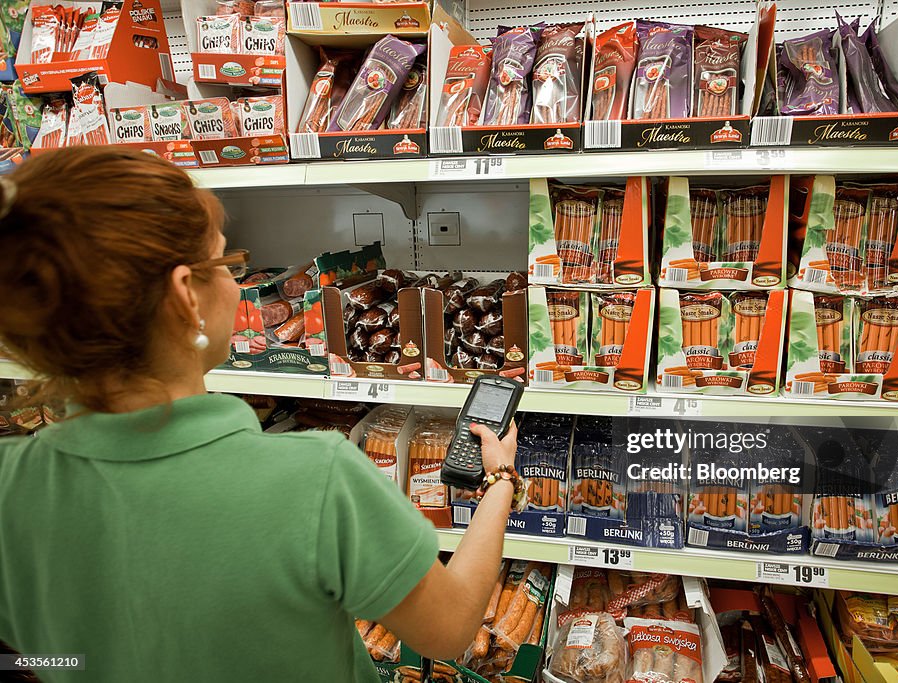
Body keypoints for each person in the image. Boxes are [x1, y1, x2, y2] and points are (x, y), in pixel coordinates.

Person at [0, 146, 523, 682]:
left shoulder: (10, 483)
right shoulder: (316, 480)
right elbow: (454, 627)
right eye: (229, 264)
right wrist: (501, 478)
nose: (238, 282)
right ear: (186, 297)